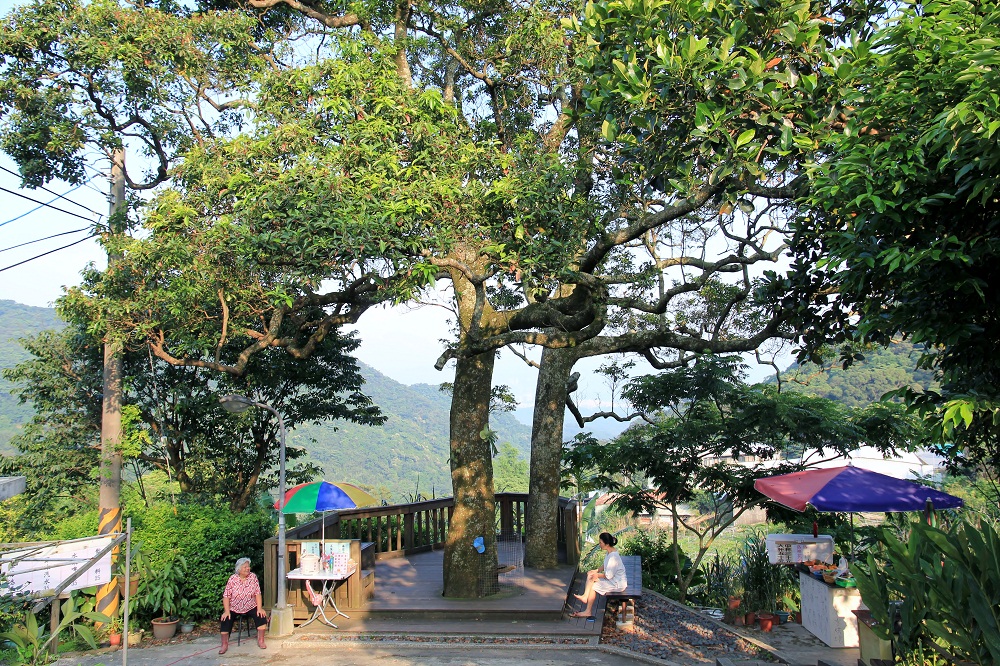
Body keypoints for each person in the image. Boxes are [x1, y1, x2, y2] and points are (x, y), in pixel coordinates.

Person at [570, 532, 626, 619]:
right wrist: (596, 570)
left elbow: (608, 576)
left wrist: (597, 575)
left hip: (617, 583)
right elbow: (605, 565)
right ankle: (585, 598)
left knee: (593, 584)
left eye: (600, 543)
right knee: (591, 576)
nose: (599, 544)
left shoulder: (613, 557)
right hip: (613, 580)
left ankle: (587, 608)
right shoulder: (610, 552)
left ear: (607, 544)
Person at [219, 557, 268, 654]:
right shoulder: (232, 579)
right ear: (239, 569)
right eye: (245, 567)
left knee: (261, 616)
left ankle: (261, 641)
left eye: (248, 566)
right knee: (225, 619)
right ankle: (224, 644)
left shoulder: (253, 577)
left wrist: (259, 608)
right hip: (234, 607)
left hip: (250, 606)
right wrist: (227, 611)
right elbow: (226, 596)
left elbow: (257, 593)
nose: (248, 568)